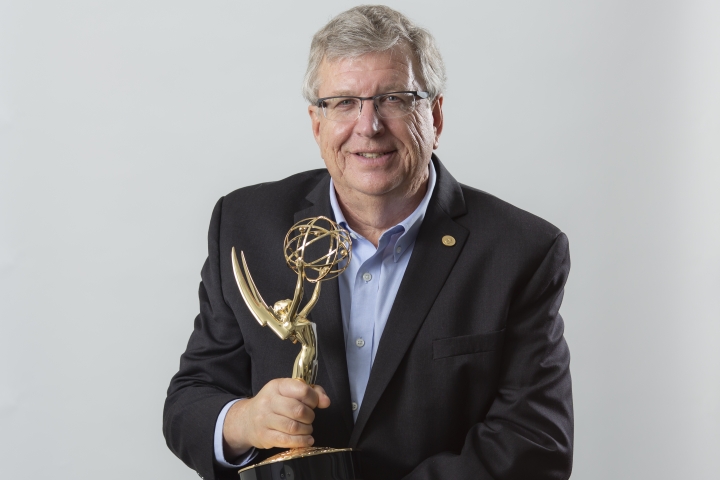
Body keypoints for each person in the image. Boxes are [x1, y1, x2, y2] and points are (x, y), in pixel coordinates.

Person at [163, 5, 573, 480]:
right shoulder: (245, 225)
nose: (369, 126)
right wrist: (244, 420)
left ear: (435, 117)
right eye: (342, 103)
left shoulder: (520, 250)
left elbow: (533, 441)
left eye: (394, 99)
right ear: (316, 125)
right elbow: (191, 397)